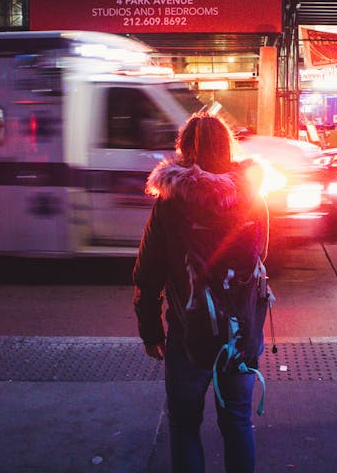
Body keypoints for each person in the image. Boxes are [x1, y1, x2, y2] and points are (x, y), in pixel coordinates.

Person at [132, 113, 269, 473]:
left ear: (184, 148)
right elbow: (262, 254)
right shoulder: (252, 195)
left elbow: (148, 272)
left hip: (189, 333)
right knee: (237, 421)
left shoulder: (170, 201)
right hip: (240, 333)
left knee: (184, 423)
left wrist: (150, 330)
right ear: (227, 147)